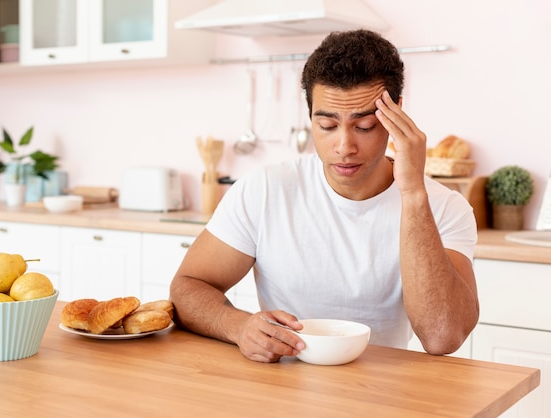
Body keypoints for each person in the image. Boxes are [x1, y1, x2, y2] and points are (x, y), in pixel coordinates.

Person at [170, 29, 479, 363]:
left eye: (364, 126)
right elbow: (188, 286)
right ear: (310, 117)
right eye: (328, 126)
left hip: (385, 391)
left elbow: (442, 337)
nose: (344, 147)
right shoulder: (264, 190)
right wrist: (237, 326)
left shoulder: (444, 206)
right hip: (280, 383)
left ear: (396, 116)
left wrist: (413, 192)